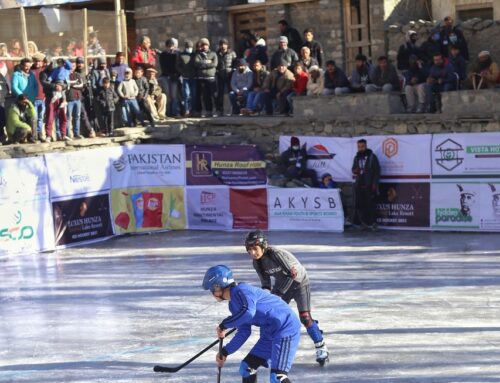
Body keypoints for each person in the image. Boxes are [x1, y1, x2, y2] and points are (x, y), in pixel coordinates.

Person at [202, 264, 301, 383]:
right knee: (246, 368)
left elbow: (248, 312)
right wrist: (225, 351)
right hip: (270, 332)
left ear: (218, 287)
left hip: (285, 327)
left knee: (277, 378)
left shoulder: (242, 290)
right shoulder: (233, 304)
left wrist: (224, 325)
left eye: (211, 289)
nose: (212, 293)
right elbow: (244, 332)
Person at [244, 230, 329, 366]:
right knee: (270, 317)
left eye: (255, 249)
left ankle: (321, 345)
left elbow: (293, 275)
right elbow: (265, 285)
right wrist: (263, 300)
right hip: (283, 285)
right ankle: (266, 351)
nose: (253, 253)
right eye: (249, 250)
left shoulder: (276, 254)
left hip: (300, 282)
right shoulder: (257, 263)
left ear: (263, 246)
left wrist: (278, 294)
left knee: (305, 317)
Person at [352, 138, 380, 230]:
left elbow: (377, 171)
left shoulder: (372, 157)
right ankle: (363, 223)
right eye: (359, 147)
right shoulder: (356, 157)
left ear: (366, 146)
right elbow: (353, 169)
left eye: (362, 146)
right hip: (359, 185)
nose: (360, 148)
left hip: (369, 185)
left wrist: (374, 184)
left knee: (370, 205)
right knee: (360, 205)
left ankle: (373, 223)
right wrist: (355, 170)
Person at [194, 38, 218, 117]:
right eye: (203, 45)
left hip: (211, 78)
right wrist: (207, 62)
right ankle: (208, 111)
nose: (204, 47)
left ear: (208, 45)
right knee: (205, 96)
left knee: (214, 95)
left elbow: (214, 64)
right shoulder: (198, 55)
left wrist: (203, 64)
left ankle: (217, 110)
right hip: (202, 79)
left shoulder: (213, 54)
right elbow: (197, 63)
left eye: (206, 45)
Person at [159, 38, 180, 117]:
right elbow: (163, 66)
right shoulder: (163, 54)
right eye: (170, 46)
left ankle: (174, 111)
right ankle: (168, 112)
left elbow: (178, 65)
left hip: (174, 77)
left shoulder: (177, 54)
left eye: (172, 46)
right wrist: (169, 73)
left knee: (174, 95)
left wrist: (177, 74)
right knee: (167, 95)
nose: (171, 48)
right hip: (166, 76)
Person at [216, 38, 237, 116]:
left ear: (227, 45)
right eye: (221, 44)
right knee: (220, 93)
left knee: (231, 92)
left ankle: (234, 109)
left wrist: (233, 70)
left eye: (224, 44)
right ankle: (220, 110)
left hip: (230, 75)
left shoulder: (232, 53)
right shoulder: (217, 53)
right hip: (220, 75)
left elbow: (235, 62)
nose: (223, 46)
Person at [177, 40, 196, 117]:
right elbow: (178, 65)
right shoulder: (181, 55)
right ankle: (186, 110)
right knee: (186, 95)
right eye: (188, 47)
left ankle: (193, 110)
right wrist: (182, 72)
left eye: (190, 47)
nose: (189, 48)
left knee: (194, 95)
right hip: (185, 78)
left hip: (194, 77)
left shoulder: (194, 54)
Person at [66, 60, 84, 139]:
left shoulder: (77, 75)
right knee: (69, 117)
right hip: (69, 98)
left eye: (73, 66)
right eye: (71, 66)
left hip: (78, 98)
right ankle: (69, 134)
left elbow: (81, 85)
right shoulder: (66, 75)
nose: (72, 67)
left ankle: (77, 133)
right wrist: (74, 84)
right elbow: (66, 85)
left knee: (77, 116)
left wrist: (71, 85)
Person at [31, 53, 46, 141]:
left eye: (39, 61)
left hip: (43, 97)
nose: (37, 63)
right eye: (36, 61)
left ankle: (40, 134)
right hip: (33, 98)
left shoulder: (44, 71)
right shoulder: (30, 71)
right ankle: (34, 135)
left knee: (40, 117)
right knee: (34, 118)